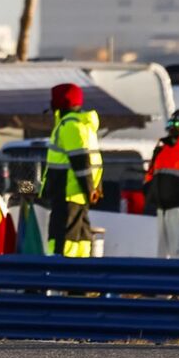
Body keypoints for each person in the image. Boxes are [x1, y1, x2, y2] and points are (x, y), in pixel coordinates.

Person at [41, 83, 103, 258]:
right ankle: (79, 280)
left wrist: (89, 189)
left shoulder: (69, 127)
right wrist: (93, 190)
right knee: (80, 241)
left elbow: (81, 163)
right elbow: (92, 162)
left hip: (66, 195)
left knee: (62, 242)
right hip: (78, 197)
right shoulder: (83, 126)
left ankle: (58, 281)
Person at [145, 109, 179, 259]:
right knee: (162, 252)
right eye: (172, 123)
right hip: (163, 207)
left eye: (177, 123)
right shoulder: (162, 148)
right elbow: (151, 173)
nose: (173, 127)